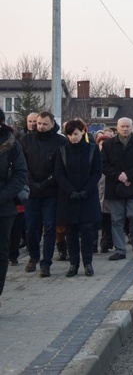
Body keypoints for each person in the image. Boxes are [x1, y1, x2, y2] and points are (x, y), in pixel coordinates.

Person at [21, 111, 68, 277]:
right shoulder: (27, 139)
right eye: (39, 123)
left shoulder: (60, 141)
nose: (41, 127)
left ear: (51, 124)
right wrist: (32, 183)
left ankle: (46, 263)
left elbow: (60, 168)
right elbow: (22, 164)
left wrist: (45, 183)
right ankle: (33, 257)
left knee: (49, 227)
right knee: (30, 228)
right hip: (31, 192)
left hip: (51, 191)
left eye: (44, 124)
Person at [54, 119, 102, 277]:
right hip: (68, 197)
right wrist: (70, 191)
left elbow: (97, 172)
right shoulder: (62, 151)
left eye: (75, 134)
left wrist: (86, 191)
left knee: (87, 230)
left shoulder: (93, 149)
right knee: (71, 231)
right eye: (69, 134)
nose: (72, 137)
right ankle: (73, 264)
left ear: (83, 131)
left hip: (88, 196)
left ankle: (88, 263)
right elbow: (59, 174)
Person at [101, 117, 133, 260]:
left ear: (132, 127)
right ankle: (120, 250)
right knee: (117, 220)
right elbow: (104, 165)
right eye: (122, 126)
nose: (125, 129)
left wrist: (128, 175)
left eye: (127, 126)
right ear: (117, 127)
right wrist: (118, 176)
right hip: (114, 187)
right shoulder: (108, 144)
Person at [0, 109, 28, 306]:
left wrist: (2, 196)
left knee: (1, 252)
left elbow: (20, 175)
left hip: (4, 206)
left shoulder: (11, 145)